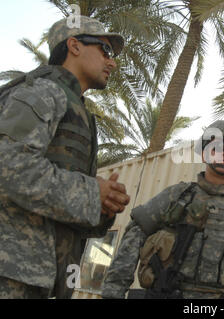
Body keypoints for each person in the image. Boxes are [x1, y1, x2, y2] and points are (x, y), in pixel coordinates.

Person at [0, 16, 130, 299]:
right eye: (105, 51)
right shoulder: (41, 92)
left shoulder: (78, 110)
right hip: (12, 275)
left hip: (45, 279)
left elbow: (62, 205)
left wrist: (103, 206)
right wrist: (92, 191)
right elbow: (9, 167)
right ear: (74, 46)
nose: (112, 62)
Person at [101, 121, 224, 299]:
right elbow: (134, 234)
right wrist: (112, 293)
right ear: (204, 153)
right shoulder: (176, 196)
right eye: (217, 147)